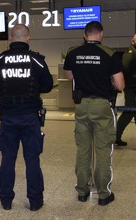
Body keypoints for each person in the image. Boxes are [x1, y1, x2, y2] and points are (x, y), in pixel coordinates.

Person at [0, 24, 53, 211]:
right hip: (30, 117)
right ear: (28, 38)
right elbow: (47, 85)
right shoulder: (37, 60)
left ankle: (6, 201)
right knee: (32, 160)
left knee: (7, 159)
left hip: (7, 117)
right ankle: (35, 201)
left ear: (10, 37)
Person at [63, 21, 125, 206]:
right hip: (102, 107)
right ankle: (104, 194)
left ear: (85, 35)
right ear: (101, 34)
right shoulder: (110, 54)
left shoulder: (73, 52)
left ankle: (82, 191)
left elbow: (69, 76)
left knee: (83, 150)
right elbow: (120, 85)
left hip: (81, 106)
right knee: (103, 150)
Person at [115, 34, 136, 146]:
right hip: (132, 89)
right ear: (132, 40)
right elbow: (126, 70)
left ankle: (116, 136)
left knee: (129, 113)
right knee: (129, 112)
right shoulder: (130, 53)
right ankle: (116, 136)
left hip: (132, 88)